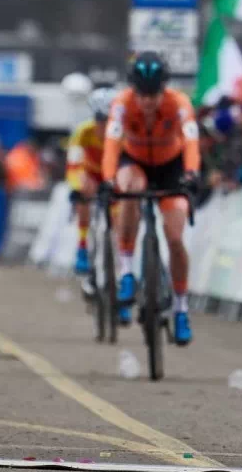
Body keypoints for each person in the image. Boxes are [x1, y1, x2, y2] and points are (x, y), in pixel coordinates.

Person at [100, 52, 201, 346]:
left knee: (174, 237)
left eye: (153, 94)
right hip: (136, 162)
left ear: (164, 89)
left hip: (171, 167)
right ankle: (128, 271)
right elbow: (111, 145)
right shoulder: (121, 104)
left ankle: (181, 309)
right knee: (130, 187)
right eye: (141, 94)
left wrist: (192, 174)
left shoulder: (179, 103)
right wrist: (107, 180)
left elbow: (192, 142)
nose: (146, 102)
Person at [66, 87, 117, 275]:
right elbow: (73, 164)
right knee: (84, 189)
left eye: (109, 121)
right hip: (91, 174)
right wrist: (76, 188)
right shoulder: (83, 132)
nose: (104, 126)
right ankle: (82, 245)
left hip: (113, 176)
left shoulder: (121, 134)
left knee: (119, 218)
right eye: (100, 120)